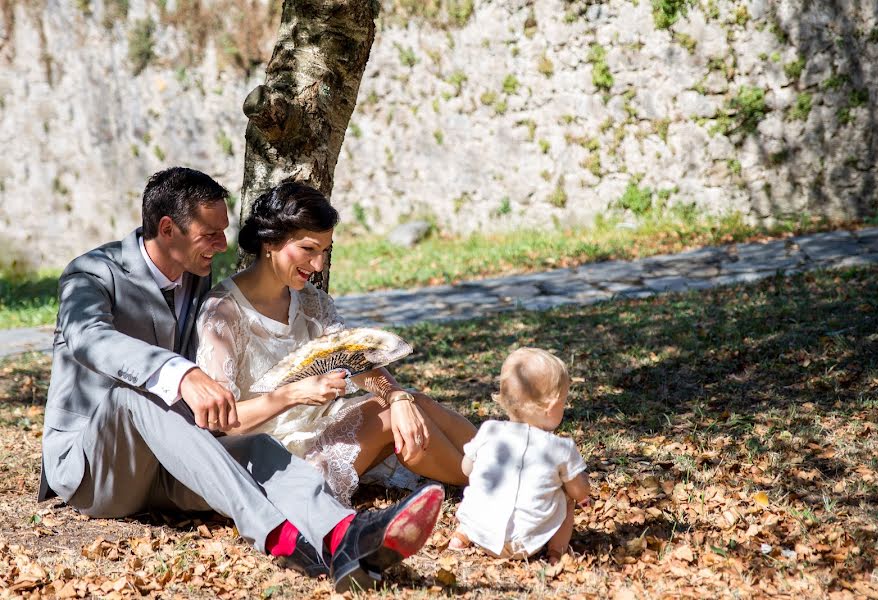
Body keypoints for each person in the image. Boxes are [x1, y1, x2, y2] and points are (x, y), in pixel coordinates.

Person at [39, 167, 444, 593]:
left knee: (260, 447)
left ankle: (343, 535)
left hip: (170, 460)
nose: (222, 244)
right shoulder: (91, 274)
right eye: (210, 233)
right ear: (167, 228)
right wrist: (181, 374)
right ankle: (280, 537)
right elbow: (90, 338)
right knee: (131, 398)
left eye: (223, 230)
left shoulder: (196, 274)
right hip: (97, 470)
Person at [194, 182, 477, 507]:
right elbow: (218, 422)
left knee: (413, 403)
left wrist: (398, 396)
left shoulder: (312, 302)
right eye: (308, 249)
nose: (317, 266)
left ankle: (503, 465)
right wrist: (292, 394)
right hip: (269, 457)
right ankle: (497, 485)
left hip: (321, 428)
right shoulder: (222, 313)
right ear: (270, 242)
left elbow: (356, 362)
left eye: (324, 251)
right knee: (384, 415)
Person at [448, 348, 590, 563]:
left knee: (480, 490)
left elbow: (466, 469)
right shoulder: (560, 448)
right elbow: (580, 492)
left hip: (482, 536)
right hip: (525, 544)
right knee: (567, 498)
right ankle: (556, 552)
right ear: (552, 406)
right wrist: (580, 492)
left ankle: (463, 534)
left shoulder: (489, 430)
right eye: (563, 402)